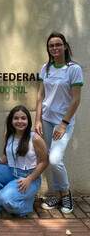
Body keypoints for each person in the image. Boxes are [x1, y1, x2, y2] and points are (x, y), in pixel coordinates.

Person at [35, 32, 83, 213]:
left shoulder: (73, 69)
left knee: (55, 159)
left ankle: (66, 194)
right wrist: (37, 119)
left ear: (64, 46)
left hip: (63, 122)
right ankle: (57, 194)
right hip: (46, 120)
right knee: (47, 158)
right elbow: (40, 96)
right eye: (51, 46)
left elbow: (76, 100)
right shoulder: (45, 68)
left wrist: (63, 124)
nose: (54, 48)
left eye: (57, 44)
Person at [0, 105, 48, 217]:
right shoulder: (9, 135)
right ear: (11, 120)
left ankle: (25, 206)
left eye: (23, 118)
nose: (20, 121)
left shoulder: (35, 138)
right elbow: (6, 157)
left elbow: (45, 162)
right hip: (11, 172)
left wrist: (29, 179)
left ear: (28, 120)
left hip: (29, 178)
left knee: (5, 198)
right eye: (16, 118)